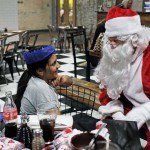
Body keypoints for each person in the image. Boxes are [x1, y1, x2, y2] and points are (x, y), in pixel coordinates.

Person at [94, 7, 150, 149]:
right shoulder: (115, 53)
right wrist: (117, 112)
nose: (112, 45)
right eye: (110, 40)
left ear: (134, 39)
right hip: (128, 109)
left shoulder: (147, 57)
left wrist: (144, 111)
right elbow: (108, 89)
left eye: (117, 40)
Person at [15, 45, 73, 115]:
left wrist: (64, 79)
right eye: (54, 63)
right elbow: (56, 121)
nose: (58, 66)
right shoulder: (42, 89)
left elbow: (70, 81)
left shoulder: (35, 77)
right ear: (40, 71)